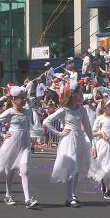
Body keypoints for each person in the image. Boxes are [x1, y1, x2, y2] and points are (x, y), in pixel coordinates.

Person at [43, 80, 95, 208]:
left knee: (76, 169)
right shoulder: (64, 110)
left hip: (79, 139)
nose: (81, 96)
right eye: (79, 94)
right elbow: (46, 121)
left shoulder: (82, 110)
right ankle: (70, 196)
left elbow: (87, 128)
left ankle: (71, 194)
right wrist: (59, 133)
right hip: (68, 140)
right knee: (72, 167)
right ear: (73, 95)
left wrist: (93, 144)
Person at [0, 86, 38, 209]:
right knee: (10, 172)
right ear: (14, 99)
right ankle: (8, 194)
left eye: (24, 98)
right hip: (12, 144)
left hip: (25, 144)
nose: (24, 100)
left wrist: (31, 138)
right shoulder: (9, 112)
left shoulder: (27, 111)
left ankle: (27, 199)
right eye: (21, 98)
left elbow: (28, 123)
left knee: (24, 170)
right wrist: (3, 134)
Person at [88, 98, 110, 200]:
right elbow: (92, 132)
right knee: (106, 167)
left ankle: (106, 185)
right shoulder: (100, 118)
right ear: (104, 107)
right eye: (109, 106)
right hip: (103, 145)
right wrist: (101, 133)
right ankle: (108, 189)